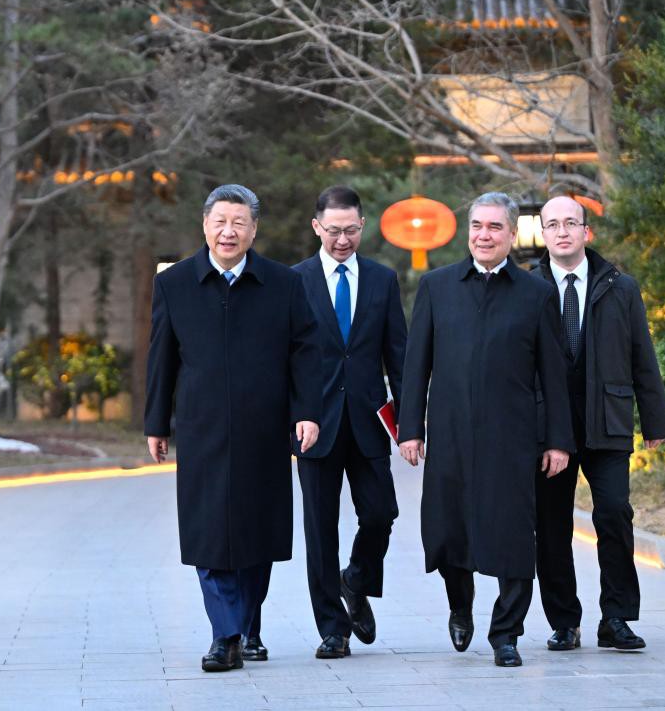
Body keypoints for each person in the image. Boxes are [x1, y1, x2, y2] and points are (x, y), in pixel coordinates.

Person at [144, 184, 321, 673]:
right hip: (201, 429)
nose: (228, 231)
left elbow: (306, 352)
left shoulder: (284, 283)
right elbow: (161, 358)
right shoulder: (174, 283)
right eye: (220, 221)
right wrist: (156, 422)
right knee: (207, 532)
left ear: (253, 230)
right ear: (204, 225)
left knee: (257, 533)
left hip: (265, 428)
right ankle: (225, 635)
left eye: (239, 222)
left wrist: (307, 412)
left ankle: (243, 623)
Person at [397, 191, 574, 668]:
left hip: (513, 437)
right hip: (450, 433)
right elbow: (416, 365)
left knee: (513, 533)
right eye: (477, 225)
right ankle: (460, 606)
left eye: (495, 227)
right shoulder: (437, 286)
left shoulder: (536, 294)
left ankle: (506, 633)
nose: (484, 235)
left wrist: (558, 440)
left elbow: (553, 375)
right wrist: (410, 429)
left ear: (512, 235)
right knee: (448, 529)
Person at [533, 195, 665, 652]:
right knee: (551, 524)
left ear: (586, 231)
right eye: (553, 224)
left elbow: (641, 355)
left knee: (614, 513)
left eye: (571, 223)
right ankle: (564, 621)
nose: (562, 231)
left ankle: (616, 617)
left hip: (607, 419)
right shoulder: (528, 288)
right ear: (542, 233)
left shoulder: (620, 287)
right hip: (549, 427)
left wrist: (655, 419)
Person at [291, 186, 406, 659]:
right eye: (334, 231)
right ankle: (333, 630)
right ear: (317, 227)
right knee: (320, 531)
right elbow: (284, 358)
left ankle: (355, 580)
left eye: (351, 230)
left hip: (367, 420)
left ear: (363, 225)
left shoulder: (382, 279)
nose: (342, 240)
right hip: (314, 424)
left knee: (381, 513)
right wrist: (294, 416)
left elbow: (398, 354)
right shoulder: (294, 281)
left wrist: (410, 425)